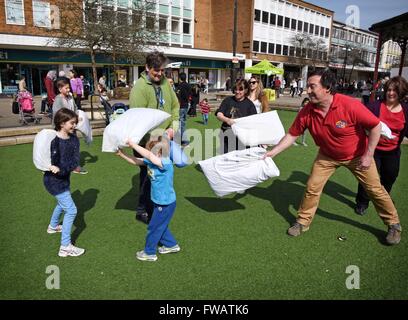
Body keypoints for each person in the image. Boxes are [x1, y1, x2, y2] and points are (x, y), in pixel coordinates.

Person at [264, 69, 402, 245]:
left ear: (327, 87)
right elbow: (292, 135)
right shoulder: (307, 111)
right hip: (327, 156)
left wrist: (368, 155)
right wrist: (273, 152)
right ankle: (302, 222)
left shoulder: (349, 105)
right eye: (307, 86)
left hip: (357, 156)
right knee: (312, 187)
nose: (308, 90)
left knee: (375, 190)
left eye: (312, 86)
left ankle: (394, 225)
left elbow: (375, 126)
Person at [128, 51, 179, 224]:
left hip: (164, 137)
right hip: (147, 141)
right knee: (147, 176)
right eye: (155, 70)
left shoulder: (166, 84)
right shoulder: (140, 88)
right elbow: (138, 118)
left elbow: (175, 106)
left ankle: (156, 206)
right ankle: (142, 210)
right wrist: (154, 140)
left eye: (162, 70)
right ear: (147, 68)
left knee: (160, 175)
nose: (159, 74)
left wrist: (173, 128)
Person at [116, 136, 180, 262]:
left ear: (159, 152)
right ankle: (171, 245)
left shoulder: (166, 162)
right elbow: (136, 161)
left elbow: (150, 157)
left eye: (151, 151)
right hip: (159, 202)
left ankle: (149, 252)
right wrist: (121, 154)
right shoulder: (152, 161)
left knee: (154, 227)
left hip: (165, 204)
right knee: (160, 225)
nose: (149, 153)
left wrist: (133, 144)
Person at [355, 76, 408, 215]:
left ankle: (382, 199)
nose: (390, 93)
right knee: (367, 177)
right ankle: (362, 202)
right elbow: (360, 121)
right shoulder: (374, 106)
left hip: (393, 151)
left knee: (390, 176)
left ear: (401, 92)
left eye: (395, 90)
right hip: (373, 149)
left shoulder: (405, 110)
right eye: (389, 90)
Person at [43, 108, 85, 257]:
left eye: (75, 122)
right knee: (72, 210)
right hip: (53, 181)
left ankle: (53, 226)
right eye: (71, 123)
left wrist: (72, 167)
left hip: (63, 178)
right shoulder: (53, 141)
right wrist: (51, 167)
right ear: (61, 123)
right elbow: (48, 160)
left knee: (62, 203)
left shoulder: (74, 139)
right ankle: (65, 247)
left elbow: (74, 159)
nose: (74, 125)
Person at [53, 78, 88, 175]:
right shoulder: (58, 99)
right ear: (60, 89)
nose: (69, 90)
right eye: (66, 88)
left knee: (75, 146)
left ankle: (75, 166)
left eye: (69, 88)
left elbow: (75, 108)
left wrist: (77, 117)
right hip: (62, 129)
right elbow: (57, 114)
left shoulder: (71, 97)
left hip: (72, 128)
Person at [215, 79, 257, 154]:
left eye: (241, 89)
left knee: (240, 161)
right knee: (225, 159)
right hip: (226, 136)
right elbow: (219, 114)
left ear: (246, 90)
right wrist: (227, 120)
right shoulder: (228, 100)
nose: (237, 92)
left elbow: (254, 123)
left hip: (242, 139)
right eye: (236, 89)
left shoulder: (250, 105)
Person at [176, 72, 191, 145]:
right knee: (183, 123)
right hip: (186, 105)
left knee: (180, 124)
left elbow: (177, 96)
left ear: (179, 78)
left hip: (181, 106)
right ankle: (182, 139)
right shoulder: (188, 85)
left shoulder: (180, 86)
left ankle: (184, 140)